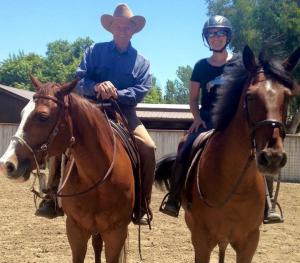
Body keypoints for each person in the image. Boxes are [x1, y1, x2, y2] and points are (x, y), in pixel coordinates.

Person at [36, 3, 156, 225]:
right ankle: (51, 197)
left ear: (133, 30)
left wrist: (116, 93)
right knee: (59, 136)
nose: (122, 29)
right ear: (111, 28)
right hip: (89, 110)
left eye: (127, 26)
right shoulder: (94, 51)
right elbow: (79, 79)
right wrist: (96, 87)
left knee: (148, 147)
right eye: (118, 25)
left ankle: (141, 204)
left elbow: (140, 91)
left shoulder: (142, 62)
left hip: (124, 111)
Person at [160, 15, 283, 224]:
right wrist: (197, 118)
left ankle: (268, 203)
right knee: (185, 144)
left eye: (220, 33)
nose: (215, 37)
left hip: (233, 120)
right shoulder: (200, 67)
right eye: (211, 34)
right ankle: (174, 198)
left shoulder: (239, 63)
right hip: (207, 119)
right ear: (206, 38)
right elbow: (192, 99)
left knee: (260, 150)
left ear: (228, 36)